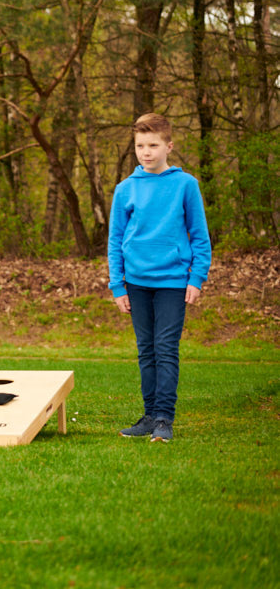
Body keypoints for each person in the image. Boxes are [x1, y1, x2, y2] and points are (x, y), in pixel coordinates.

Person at [108, 113, 211, 443]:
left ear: (169, 145)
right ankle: (150, 415)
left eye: (153, 145)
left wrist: (196, 278)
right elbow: (115, 240)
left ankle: (165, 418)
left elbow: (199, 236)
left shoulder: (185, 185)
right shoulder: (125, 190)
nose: (146, 152)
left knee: (165, 349)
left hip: (172, 282)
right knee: (146, 351)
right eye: (140, 145)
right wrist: (117, 284)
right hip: (136, 284)